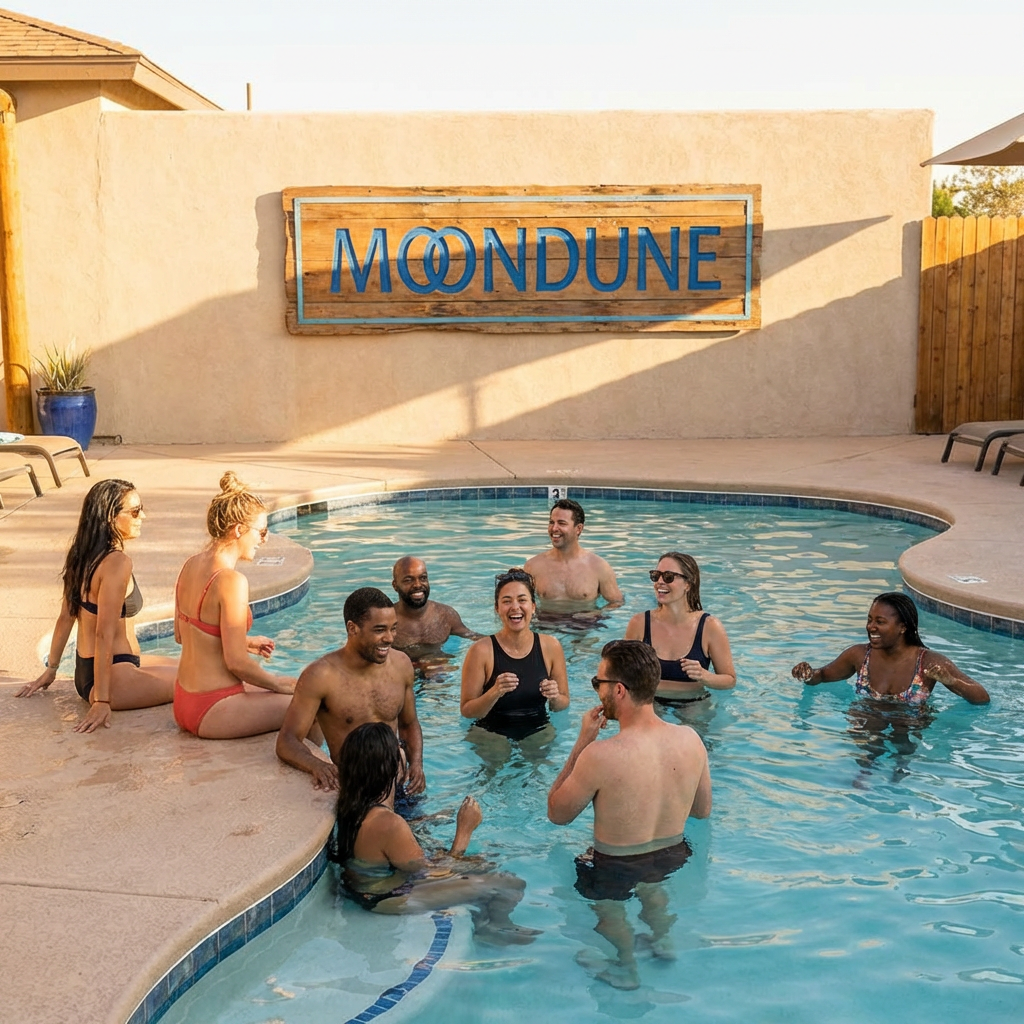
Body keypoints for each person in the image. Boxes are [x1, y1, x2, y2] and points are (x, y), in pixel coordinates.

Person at [547, 640, 712, 989]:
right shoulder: (691, 739)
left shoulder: (601, 755)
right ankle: (662, 942)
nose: (596, 690)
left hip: (614, 866)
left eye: (598, 683)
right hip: (674, 854)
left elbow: (557, 813)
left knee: (608, 906)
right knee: (652, 884)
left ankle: (624, 968)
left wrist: (581, 744)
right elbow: (701, 810)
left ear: (619, 690)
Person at [329, 722, 540, 944]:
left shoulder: (352, 805)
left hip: (364, 890)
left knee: (483, 865)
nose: (403, 749)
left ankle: (487, 923)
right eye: (399, 747)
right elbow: (435, 874)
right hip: (389, 899)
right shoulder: (388, 823)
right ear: (390, 767)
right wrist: (465, 829)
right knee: (509, 883)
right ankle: (492, 929)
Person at [16, 479, 177, 732]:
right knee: (204, 681)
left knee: (192, 663)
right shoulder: (116, 563)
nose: (142, 516)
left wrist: (52, 669)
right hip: (112, 680)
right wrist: (103, 700)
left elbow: (66, 617)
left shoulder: (81, 555)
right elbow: (104, 633)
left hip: (90, 674)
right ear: (110, 517)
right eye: (134, 511)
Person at [173, 472, 299, 739]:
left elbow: (182, 635)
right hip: (215, 707)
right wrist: (277, 684)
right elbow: (237, 664)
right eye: (262, 531)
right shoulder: (231, 581)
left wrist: (244, 640)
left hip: (184, 701)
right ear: (239, 529)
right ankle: (320, 772)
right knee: (312, 704)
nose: (264, 539)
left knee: (302, 686)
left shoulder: (191, 564)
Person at [277, 587, 425, 793]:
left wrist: (416, 764)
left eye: (393, 628)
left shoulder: (401, 665)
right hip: (354, 789)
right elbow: (287, 741)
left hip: (397, 783)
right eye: (380, 629)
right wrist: (318, 765)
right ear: (352, 628)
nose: (390, 638)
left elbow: (409, 724)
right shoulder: (321, 676)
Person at [792, 591, 990, 705]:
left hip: (908, 728)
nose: (871, 627)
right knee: (863, 766)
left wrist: (951, 681)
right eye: (870, 620)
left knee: (901, 753)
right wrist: (808, 674)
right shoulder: (859, 655)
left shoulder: (929, 662)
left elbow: (982, 698)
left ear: (902, 627)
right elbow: (823, 676)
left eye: (880, 621)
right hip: (867, 723)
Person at [460, 568, 569, 740]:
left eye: (522, 600)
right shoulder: (481, 650)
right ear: (497, 608)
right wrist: (495, 691)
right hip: (490, 731)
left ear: (533, 607)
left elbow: (563, 704)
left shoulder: (551, 646)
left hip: (538, 727)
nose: (515, 607)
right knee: (498, 752)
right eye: (507, 601)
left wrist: (554, 697)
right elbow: (467, 711)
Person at [624, 551, 736, 706]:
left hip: (694, 701)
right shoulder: (639, 623)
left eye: (668, 576)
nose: (660, 582)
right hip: (650, 702)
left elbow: (729, 680)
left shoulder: (709, 626)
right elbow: (621, 673)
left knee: (694, 722)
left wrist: (705, 676)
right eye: (656, 576)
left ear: (688, 584)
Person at [524, 499, 623, 609]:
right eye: (551, 522)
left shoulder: (599, 567)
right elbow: (522, 602)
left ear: (579, 529)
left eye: (561, 523)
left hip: (584, 625)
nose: (554, 528)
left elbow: (617, 602)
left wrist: (596, 614)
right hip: (545, 624)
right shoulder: (533, 566)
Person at [390, 555, 481, 655]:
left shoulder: (446, 615)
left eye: (423, 578)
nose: (418, 585)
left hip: (438, 665)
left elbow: (471, 635)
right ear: (395, 586)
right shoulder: (386, 620)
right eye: (408, 580)